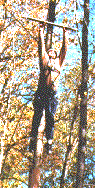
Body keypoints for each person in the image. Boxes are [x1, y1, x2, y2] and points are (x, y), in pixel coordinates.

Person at [29, 23, 67, 154]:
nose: (51, 52)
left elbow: (64, 49)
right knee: (37, 116)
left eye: (53, 52)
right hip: (41, 93)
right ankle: (32, 140)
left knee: (50, 117)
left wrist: (65, 33)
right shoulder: (44, 62)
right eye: (49, 51)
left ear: (56, 55)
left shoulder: (59, 63)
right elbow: (41, 47)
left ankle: (49, 143)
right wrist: (41, 31)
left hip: (52, 95)